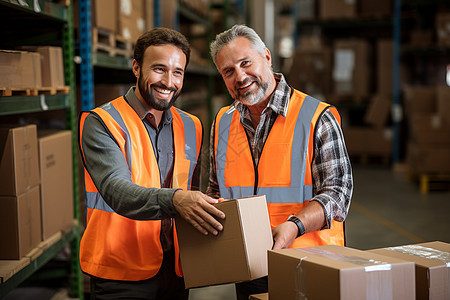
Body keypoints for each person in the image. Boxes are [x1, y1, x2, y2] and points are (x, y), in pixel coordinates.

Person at [207, 24, 353, 299]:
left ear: (267, 57)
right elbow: (216, 190)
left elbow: (337, 195)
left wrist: (294, 225)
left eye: (245, 62)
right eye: (228, 71)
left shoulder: (317, 117)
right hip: (249, 267)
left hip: (309, 262)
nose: (240, 76)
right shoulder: (222, 122)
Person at [78, 27, 225, 300]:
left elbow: (192, 196)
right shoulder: (102, 123)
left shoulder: (191, 126)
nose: (169, 81)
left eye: (178, 72)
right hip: (121, 272)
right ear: (136, 68)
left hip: (177, 270)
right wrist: (176, 200)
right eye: (159, 69)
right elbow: (116, 190)